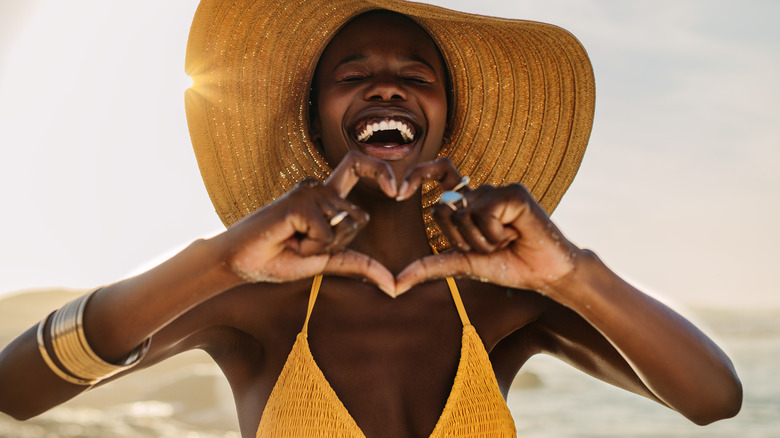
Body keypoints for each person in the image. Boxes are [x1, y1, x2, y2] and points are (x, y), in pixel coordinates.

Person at [0, 0, 742, 437]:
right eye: (352, 78)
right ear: (314, 122)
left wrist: (573, 274)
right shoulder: (252, 296)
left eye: (415, 77)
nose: (386, 88)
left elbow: (715, 400)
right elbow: (18, 389)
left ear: (446, 123)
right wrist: (220, 261)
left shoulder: (508, 300)